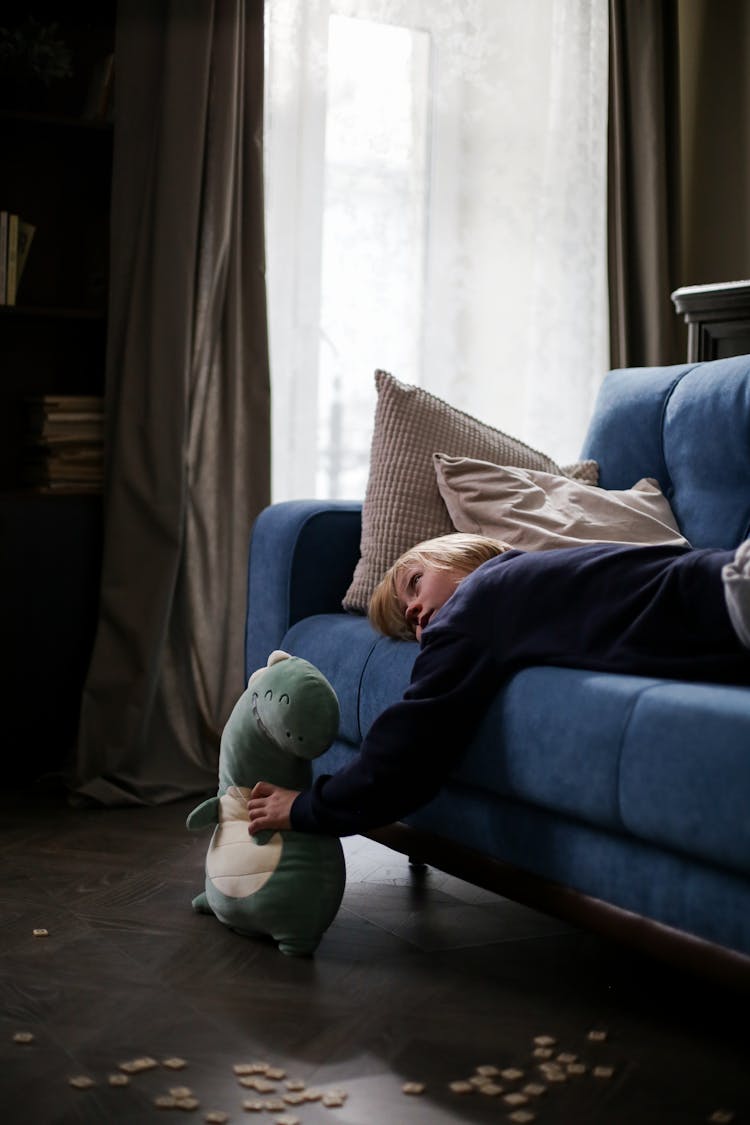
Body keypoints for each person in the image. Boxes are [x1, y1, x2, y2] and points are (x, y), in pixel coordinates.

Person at [247, 533, 750, 839]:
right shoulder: (526, 590)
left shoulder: (481, 596)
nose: (417, 614)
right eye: (409, 625)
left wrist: (309, 807)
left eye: (415, 584)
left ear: (462, 557)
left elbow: (412, 743)